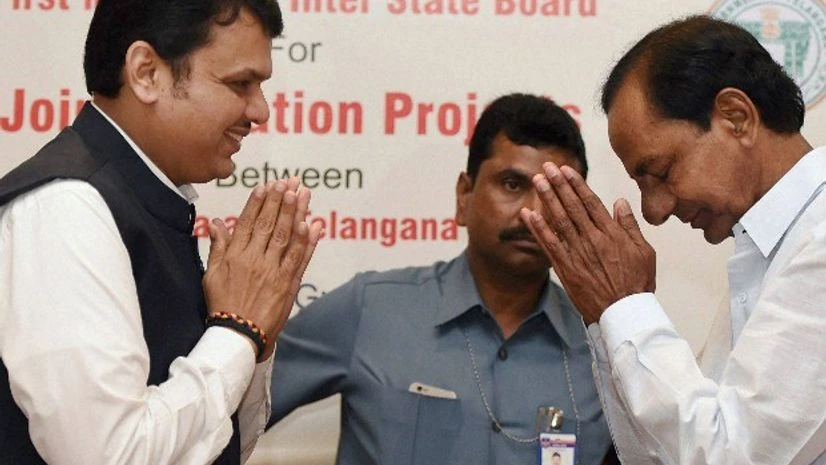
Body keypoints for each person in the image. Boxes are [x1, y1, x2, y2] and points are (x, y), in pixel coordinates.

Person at [0, 1, 321, 464]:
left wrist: (254, 335)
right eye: (239, 83)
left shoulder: (151, 200)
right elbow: (109, 456)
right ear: (147, 73)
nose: (260, 110)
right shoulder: (66, 209)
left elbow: (218, 446)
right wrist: (236, 333)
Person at [520, 15, 826, 465]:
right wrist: (611, 322)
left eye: (660, 172)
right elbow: (661, 456)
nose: (654, 211)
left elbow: (733, 455)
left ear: (735, 118)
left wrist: (625, 308)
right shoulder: (768, 252)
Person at [267, 93, 614, 465]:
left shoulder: (605, 349)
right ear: (464, 195)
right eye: (512, 185)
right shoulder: (370, 310)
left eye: (555, 195)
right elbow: (220, 417)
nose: (532, 213)